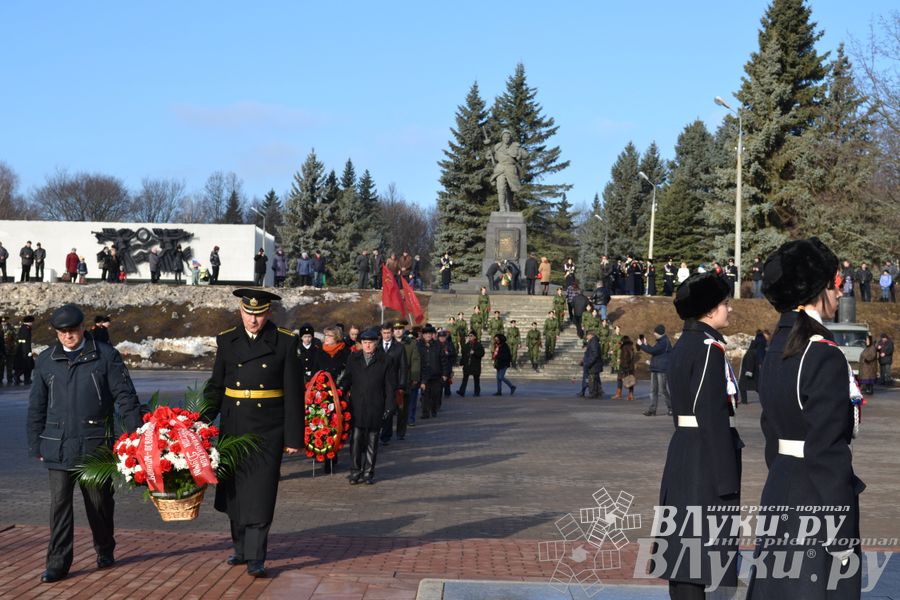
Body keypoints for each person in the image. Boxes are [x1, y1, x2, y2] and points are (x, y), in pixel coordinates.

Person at [747, 238, 863, 599]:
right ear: (820, 289)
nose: (838, 292)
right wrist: (841, 533)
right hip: (816, 499)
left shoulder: (776, 345)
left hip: (781, 485)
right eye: (835, 284)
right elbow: (827, 451)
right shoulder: (822, 352)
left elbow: (771, 430)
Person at [26, 304, 145, 583]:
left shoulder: (104, 356)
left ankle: (104, 548)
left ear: (83, 328)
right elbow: (37, 406)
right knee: (59, 506)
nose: (69, 336)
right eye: (63, 332)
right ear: (56, 333)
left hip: (94, 445)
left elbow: (125, 397)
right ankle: (57, 563)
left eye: (73, 330)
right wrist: (35, 443)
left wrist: (136, 434)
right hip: (58, 444)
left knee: (99, 503)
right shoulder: (46, 361)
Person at [653, 272, 742, 599]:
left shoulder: (688, 344)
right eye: (725, 304)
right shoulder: (708, 349)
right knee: (696, 556)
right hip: (704, 457)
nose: (729, 310)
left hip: (685, 449)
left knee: (683, 555)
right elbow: (712, 414)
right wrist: (727, 480)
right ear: (708, 310)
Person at [203, 288, 302, 578]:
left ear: (268, 313)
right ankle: (241, 548)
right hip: (233, 426)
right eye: (248, 313)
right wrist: (200, 420)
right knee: (234, 491)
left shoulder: (284, 342)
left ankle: (256, 557)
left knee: (260, 492)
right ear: (240, 311)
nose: (253, 320)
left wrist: (294, 437)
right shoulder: (226, 340)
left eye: (259, 314)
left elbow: (294, 394)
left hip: (267, 430)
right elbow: (216, 386)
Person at [341, 327, 396, 485]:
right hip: (357, 406)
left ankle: (368, 472)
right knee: (356, 440)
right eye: (364, 343)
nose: (367, 346)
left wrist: (389, 406)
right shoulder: (354, 358)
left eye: (370, 343)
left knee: (372, 441)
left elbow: (390, 387)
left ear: (376, 343)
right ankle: (355, 471)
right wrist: (340, 389)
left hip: (375, 406)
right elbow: (347, 378)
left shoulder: (385, 361)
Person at [378, 322, 409, 445]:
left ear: (392, 333)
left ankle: (386, 435)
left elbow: (403, 367)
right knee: (379, 409)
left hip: (393, 384)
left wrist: (401, 385)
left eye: (388, 333)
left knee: (390, 410)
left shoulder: (399, 347)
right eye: (384, 333)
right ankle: (377, 431)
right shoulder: (377, 346)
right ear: (381, 333)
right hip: (377, 383)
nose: (386, 335)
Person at [637, 325, 672, 416]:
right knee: (653, 390)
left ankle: (671, 408)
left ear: (659, 333)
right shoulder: (661, 342)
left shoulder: (664, 342)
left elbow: (652, 351)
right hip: (655, 368)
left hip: (662, 370)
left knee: (662, 390)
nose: (654, 334)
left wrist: (641, 345)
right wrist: (645, 344)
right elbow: (654, 350)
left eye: (655, 332)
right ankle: (652, 410)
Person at [491, 129, 528, 212]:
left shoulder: (515, 146)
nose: (506, 138)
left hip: (511, 169)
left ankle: (509, 206)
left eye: (508, 137)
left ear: (510, 138)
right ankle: (502, 208)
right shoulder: (498, 146)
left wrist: (519, 152)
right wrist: (489, 153)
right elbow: (489, 154)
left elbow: (526, 155)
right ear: (502, 138)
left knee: (511, 190)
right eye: (504, 137)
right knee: (501, 188)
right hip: (500, 169)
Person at [417, 325, 448, 419]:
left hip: (436, 374)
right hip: (424, 375)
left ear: (432, 335)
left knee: (435, 394)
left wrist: (445, 374)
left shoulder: (438, 345)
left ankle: (434, 409)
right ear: (423, 335)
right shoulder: (418, 345)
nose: (428, 336)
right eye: (426, 334)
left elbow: (443, 360)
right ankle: (425, 412)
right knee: (425, 395)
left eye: (430, 334)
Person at [400, 325, 421, 428]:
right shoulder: (388, 343)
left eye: (400, 329)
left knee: (411, 400)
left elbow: (415, 361)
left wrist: (415, 377)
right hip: (394, 378)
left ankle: (410, 418)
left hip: (409, 376)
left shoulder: (411, 343)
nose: (398, 331)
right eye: (396, 329)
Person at [457, 330, 484, 397]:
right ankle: (462, 391)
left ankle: (477, 392)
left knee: (476, 379)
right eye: (469, 336)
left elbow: (482, 353)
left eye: (471, 336)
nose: (470, 337)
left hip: (475, 365)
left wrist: (474, 353)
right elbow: (463, 353)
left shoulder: (478, 345)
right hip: (467, 365)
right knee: (465, 379)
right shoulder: (467, 345)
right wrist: (462, 362)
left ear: (475, 337)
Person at [738, 331, 762, 405]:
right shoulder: (754, 352)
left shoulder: (750, 352)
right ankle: (744, 400)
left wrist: (749, 371)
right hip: (752, 372)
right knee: (756, 387)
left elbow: (750, 362)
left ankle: (744, 401)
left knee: (742, 386)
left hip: (748, 372)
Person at [578, 330, 603, 398]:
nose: (586, 337)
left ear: (590, 335)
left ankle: (593, 393)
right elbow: (590, 353)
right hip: (592, 364)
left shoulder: (593, 342)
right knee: (594, 379)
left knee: (592, 379)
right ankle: (597, 392)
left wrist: (588, 363)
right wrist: (584, 360)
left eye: (587, 336)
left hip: (593, 365)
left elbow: (595, 355)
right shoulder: (592, 342)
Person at [613, 336, 635, 401]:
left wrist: (624, 367)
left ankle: (618, 394)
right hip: (631, 367)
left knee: (619, 379)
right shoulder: (631, 347)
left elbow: (625, 358)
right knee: (630, 380)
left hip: (624, 366)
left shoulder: (624, 347)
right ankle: (631, 395)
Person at [14, 315, 35, 385]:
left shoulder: (22, 327)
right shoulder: (26, 328)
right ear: (29, 322)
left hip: (21, 349)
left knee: (24, 365)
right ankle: (26, 379)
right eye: (31, 322)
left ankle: (18, 377)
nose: (32, 323)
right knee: (28, 365)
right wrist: (28, 351)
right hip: (25, 350)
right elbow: (26, 341)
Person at [438, 329, 457, 398]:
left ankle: (447, 392)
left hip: (447, 364)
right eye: (440, 337)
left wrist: (448, 353)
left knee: (447, 379)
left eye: (443, 337)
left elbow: (454, 353)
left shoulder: (449, 344)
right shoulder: (436, 344)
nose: (442, 338)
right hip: (438, 365)